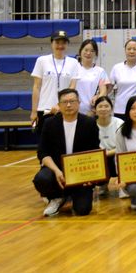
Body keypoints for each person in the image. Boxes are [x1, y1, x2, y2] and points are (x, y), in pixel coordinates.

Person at [33, 88, 100, 217]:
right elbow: (42, 152)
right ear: (59, 105)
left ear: (79, 103)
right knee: (42, 179)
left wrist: (91, 176)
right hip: (57, 169)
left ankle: (72, 195)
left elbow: (94, 151)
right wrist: (57, 171)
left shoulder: (89, 123)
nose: (68, 105)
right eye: (64, 102)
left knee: (82, 210)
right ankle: (56, 197)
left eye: (72, 101)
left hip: (80, 171)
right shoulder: (49, 123)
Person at [30, 30, 81, 131]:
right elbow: (36, 87)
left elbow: (72, 87)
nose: (60, 46)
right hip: (44, 110)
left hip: (65, 110)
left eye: (63, 43)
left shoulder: (74, 63)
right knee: (44, 139)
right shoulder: (41, 60)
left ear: (67, 45)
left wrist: (59, 105)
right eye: (57, 42)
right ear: (51, 43)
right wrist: (34, 111)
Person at [109, 39, 136, 119]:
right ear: (125, 51)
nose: (131, 51)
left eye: (135, 49)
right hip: (120, 109)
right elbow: (109, 88)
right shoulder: (117, 68)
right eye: (129, 49)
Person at [94, 96, 123, 197]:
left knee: (119, 158)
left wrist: (108, 153)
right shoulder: (91, 124)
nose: (103, 109)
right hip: (99, 156)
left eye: (106, 106)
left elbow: (124, 146)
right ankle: (102, 184)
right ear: (95, 109)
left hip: (116, 153)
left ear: (111, 108)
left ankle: (123, 185)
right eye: (100, 106)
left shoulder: (119, 123)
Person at [74, 39, 108, 116]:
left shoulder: (100, 71)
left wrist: (97, 101)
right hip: (74, 111)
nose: (88, 53)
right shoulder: (73, 68)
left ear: (96, 53)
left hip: (91, 112)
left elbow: (103, 91)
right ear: (80, 51)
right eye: (86, 50)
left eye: (92, 51)